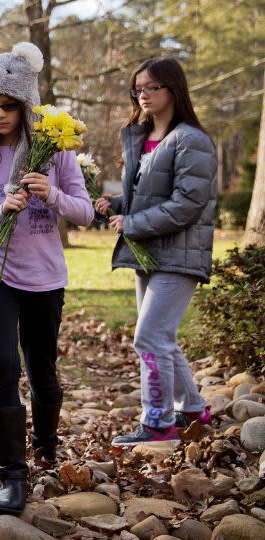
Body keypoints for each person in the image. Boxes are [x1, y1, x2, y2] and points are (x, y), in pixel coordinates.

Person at [0, 42, 93, 514]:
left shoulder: (55, 153)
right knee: (2, 365)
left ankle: (46, 443)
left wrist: (51, 194)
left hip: (44, 278)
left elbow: (85, 214)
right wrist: (0, 210)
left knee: (43, 372)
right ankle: (12, 474)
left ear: (24, 104)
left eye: (8, 106)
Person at [95, 57, 216, 446]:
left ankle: (158, 423)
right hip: (148, 252)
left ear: (173, 89)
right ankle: (193, 410)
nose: (143, 95)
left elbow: (187, 204)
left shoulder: (192, 140)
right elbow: (147, 194)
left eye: (151, 87)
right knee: (162, 336)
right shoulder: (142, 136)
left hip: (179, 255)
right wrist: (116, 204)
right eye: (138, 89)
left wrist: (132, 224)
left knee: (149, 338)